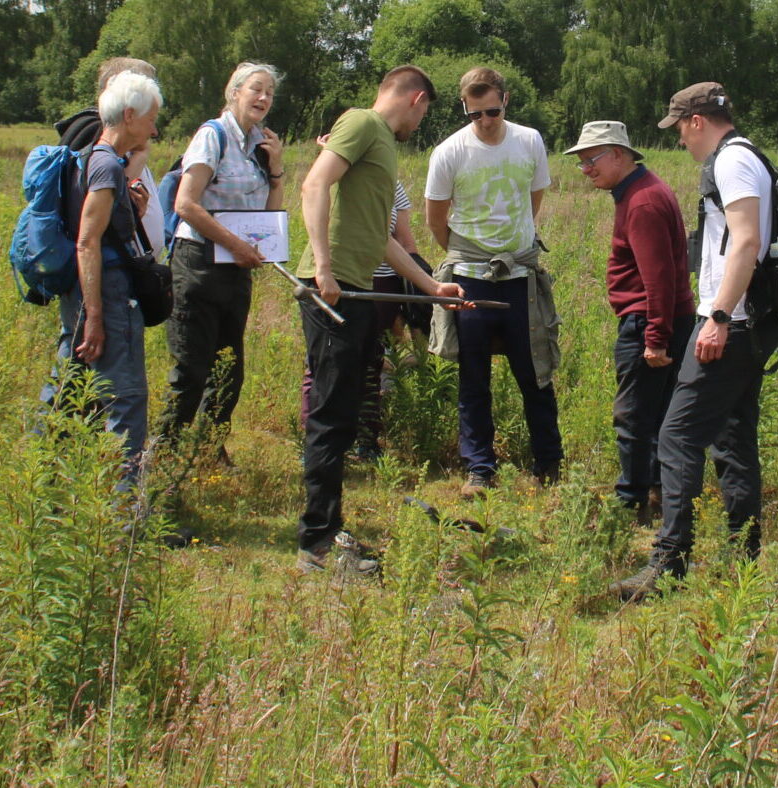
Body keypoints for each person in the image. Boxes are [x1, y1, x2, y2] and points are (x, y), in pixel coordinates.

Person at [609, 83, 778, 602]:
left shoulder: (731, 162)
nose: (680, 139)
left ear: (698, 121)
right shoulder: (749, 157)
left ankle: (669, 563)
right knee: (732, 439)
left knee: (677, 436)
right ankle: (743, 558)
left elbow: (747, 240)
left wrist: (720, 315)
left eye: (680, 128)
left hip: (732, 322)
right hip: (748, 323)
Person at [295, 65, 464, 575]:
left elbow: (381, 235)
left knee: (344, 411)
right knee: (328, 414)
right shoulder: (363, 123)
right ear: (416, 99)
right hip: (334, 290)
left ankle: (329, 527)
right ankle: (317, 545)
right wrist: (323, 265)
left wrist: (431, 287)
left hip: (358, 289)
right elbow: (313, 185)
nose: (421, 122)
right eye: (426, 111)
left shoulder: (383, 144)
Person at [423, 66, 561, 497]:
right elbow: (436, 219)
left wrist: (512, 247)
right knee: (473, 376)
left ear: (506, 102)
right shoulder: (448, 152)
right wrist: (471, 256)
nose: (485, 121)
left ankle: (549, 464)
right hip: (470, 280)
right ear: (465, 108)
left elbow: (533, 198)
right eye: (476, 114)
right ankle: (479, 469)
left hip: (520, 275)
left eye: (493, 112)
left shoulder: (529, 141)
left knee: (535, 372)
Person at [40, 70, 164, 489]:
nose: (155, 127)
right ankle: (122, 515)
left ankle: (41, 488)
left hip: (89, 292)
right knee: (126, 400)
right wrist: (95, 315)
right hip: (106, 295)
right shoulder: (107, 165)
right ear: (129, 115)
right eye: (151, 118)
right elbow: (87, 242)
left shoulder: (93, 158)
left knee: (66, 389)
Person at [566, 120, 692, 526]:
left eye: (591, 160)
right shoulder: (641, 190)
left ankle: (631, 502)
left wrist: (655, 338)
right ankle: (656, 497)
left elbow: (659, 278)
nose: (586, 169)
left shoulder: (642, 202)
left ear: (619, 154)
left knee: (634, 415)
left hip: (649, 323)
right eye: (581, 163)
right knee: (656, 415)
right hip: (659, 320)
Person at [162, 62, 286, 441]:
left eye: (269, 93)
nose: (263, 98)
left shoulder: (259, 144)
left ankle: (209, 449)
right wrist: (235, 244)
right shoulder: (211, 136)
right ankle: (162, 458)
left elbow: (270, 214)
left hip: (235, 268)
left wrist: (277, 167)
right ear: (234, 93)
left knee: (229, 370)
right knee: (191, 370)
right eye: (255, 89)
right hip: (197, 264)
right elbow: (186, 204)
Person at [57, 58, 162, 251]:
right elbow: (104, 197)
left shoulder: (130, 140)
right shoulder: (99, 136)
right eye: (143, 84)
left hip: (128, 262)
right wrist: (140, 157)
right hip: (112, 261)